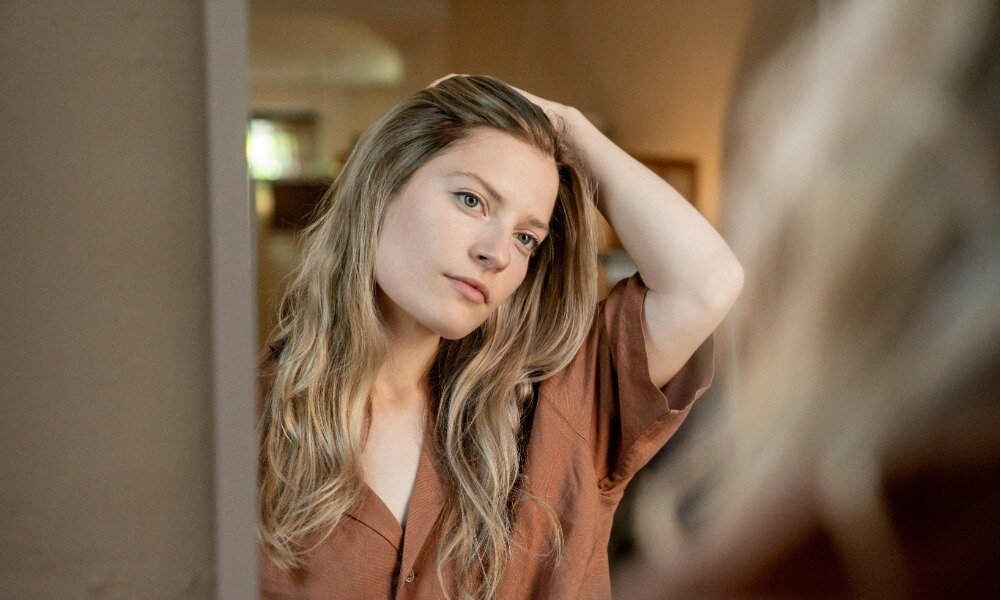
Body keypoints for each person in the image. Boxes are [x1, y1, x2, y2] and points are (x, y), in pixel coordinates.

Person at [257, 74, 743, 600]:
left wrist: (565, 123)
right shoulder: (240, 423)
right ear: (381, 185)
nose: (498, 253)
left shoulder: (559, 401)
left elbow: (707, 281)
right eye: (472, 200)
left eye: (526, 237)